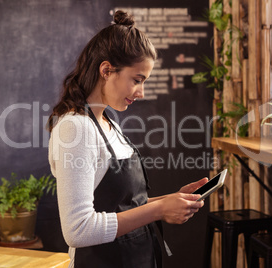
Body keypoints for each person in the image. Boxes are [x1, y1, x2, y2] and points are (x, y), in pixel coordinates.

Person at [48, 10, 208, 268]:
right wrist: (158, 210)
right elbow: (77, 229)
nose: (141, 92)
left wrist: (170, 201)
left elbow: (122, 206)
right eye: (137, 80)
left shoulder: (107, 122)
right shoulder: (75, 129)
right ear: (106, 70)